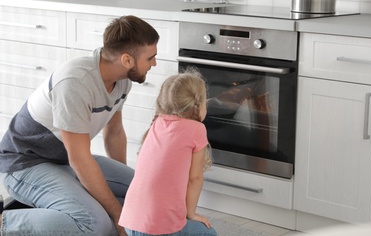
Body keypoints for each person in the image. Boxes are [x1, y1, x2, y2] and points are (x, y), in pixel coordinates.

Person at [0, 15, 160, 235]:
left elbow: (113, 133)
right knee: (96, 225)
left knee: (144, 194)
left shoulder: (122, 80)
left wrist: (124, 201)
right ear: (127, 60)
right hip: (25, 163)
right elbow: (80, 160)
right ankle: (5, 221)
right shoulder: (75, 83)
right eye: (150, 57)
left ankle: (63, 207)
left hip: (63, 159)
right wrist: (116, 214)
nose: (154, 63)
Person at [119, 69, 217, 236]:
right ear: (198, 105)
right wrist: (191, 214)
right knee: (208, 233)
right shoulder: (197, 129)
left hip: (130, 223)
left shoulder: (158, 122)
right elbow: (195, 178)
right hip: (158, 229)